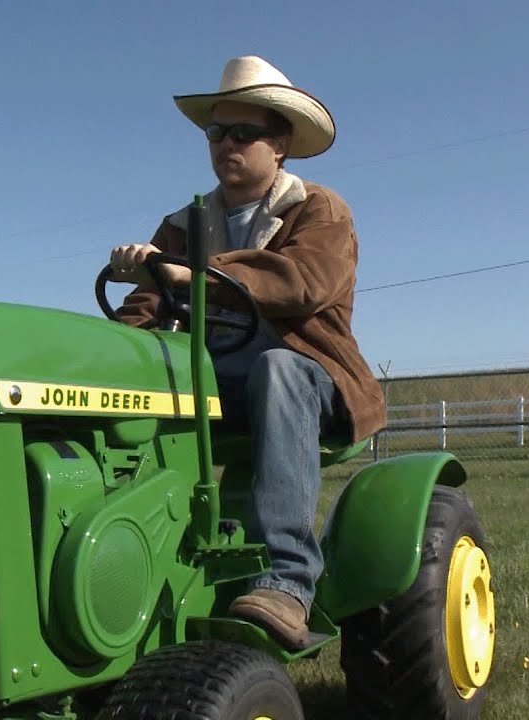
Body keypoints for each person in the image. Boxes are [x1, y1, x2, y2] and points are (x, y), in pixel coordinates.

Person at [109, 55, 387, 650]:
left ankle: (286, 580)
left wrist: (194, 276)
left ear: (279, 145)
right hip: (214, 380)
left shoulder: (318, 209)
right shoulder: (182, 224)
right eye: (216, 132)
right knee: (129, 378)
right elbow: (143, 307)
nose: (225, 144)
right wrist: (117, 337)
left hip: (308, 375)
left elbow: (304, 283)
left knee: (276, 368)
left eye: (243, 133)